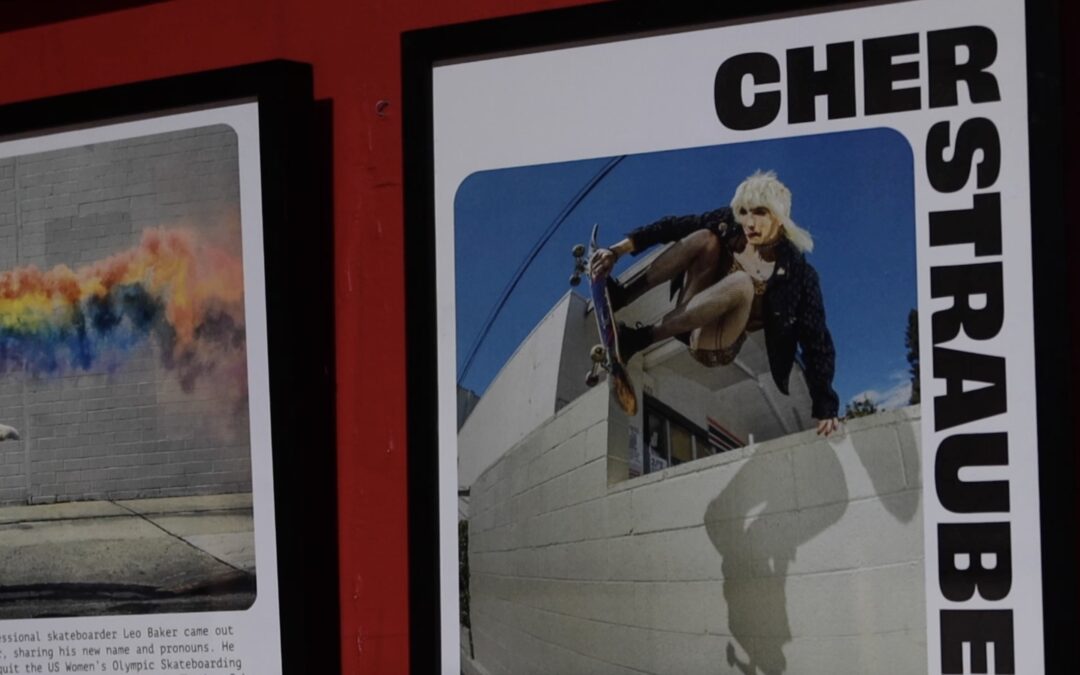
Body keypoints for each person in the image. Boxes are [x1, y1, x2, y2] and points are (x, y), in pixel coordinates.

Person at [590, 170, 841, 436]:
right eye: (744, 212)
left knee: (742, 283)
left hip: (716, 344)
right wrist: (616, 251)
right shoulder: (729, 224)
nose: (749, 223)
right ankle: (622, 295)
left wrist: (826, 406)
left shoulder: (798, 275)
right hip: (690, 311)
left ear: (779, 217)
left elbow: (817, 341)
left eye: (760, 212)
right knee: (703, 236)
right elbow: (673, 226)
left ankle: (638, 339)